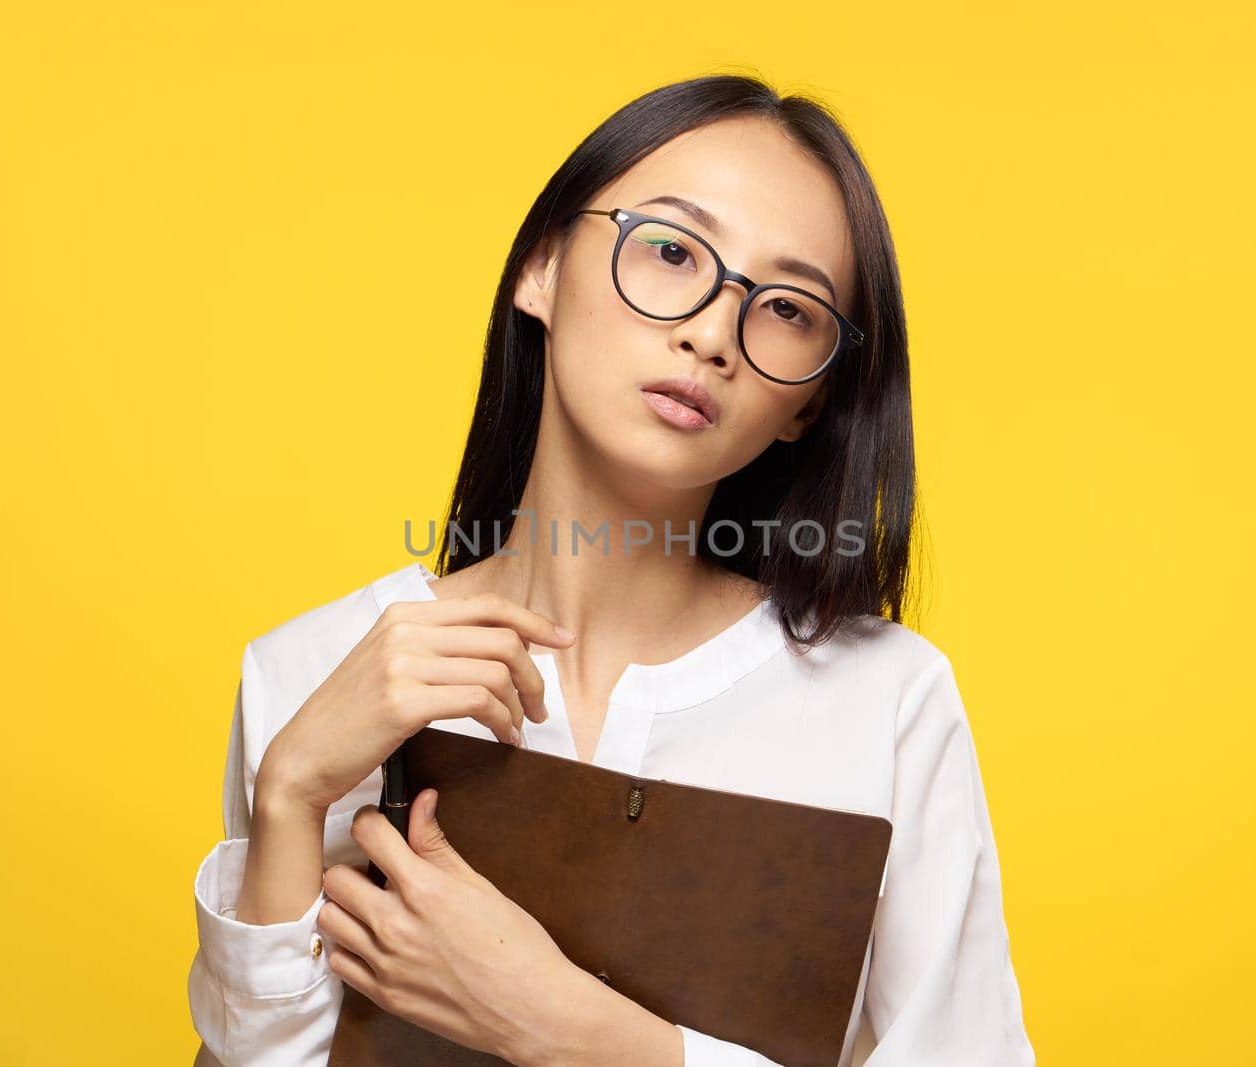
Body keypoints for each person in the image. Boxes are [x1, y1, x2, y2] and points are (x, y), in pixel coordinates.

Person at [187, 73, 1035, 1066]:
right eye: (671, 251)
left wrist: (577, 1032)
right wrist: (288, 791)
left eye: (788, 310)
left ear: (808, 402)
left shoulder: (886, 701)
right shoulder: (317, 669)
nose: (713, 334)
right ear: (539, 268)